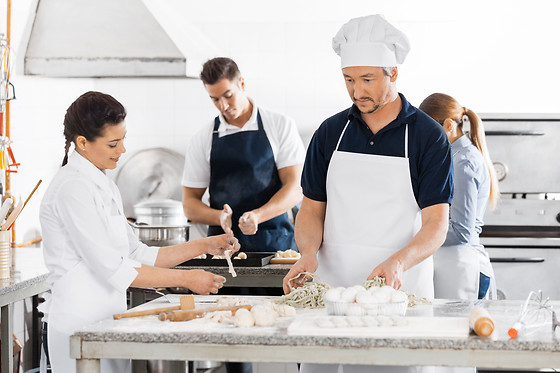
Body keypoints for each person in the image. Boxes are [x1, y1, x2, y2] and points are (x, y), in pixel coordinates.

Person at [283, 14, 453, 373]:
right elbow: (312, 210)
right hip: (331, 296)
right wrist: (308, 254)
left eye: (367, 79)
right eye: (348, 79)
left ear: (393, 74)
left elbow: (436, 223)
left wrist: (399, 262)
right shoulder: (330, 133)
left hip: (399, 297)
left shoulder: (427, 136)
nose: (357, 91)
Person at [39, 91, 240, 373]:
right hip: (78, 328)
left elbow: (137, 253)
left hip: (107, 324)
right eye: (113, 143)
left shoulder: (103, 182)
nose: (122, 150)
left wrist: (204, 245)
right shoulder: (72, 189)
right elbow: (116, 269)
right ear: (82, 143)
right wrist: (188, 279)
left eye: (123, 139)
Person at [182, 57, 305, 253]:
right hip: (224, 250)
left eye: (228, 95)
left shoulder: (280, 125)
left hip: (274, 247)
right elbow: (189, 204)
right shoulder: (202, 138)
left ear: (242, 84)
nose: (223, 105)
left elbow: (296, 187)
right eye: (215, 99)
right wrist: (219, 217)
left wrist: (258, 215)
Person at [420, 93, 499, 301]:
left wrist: (419, 236)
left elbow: (461, 231)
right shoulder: (451, 156)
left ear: (448, 125)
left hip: (464, 267)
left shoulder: (463, 162)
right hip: (453, 264)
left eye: (428, 131)